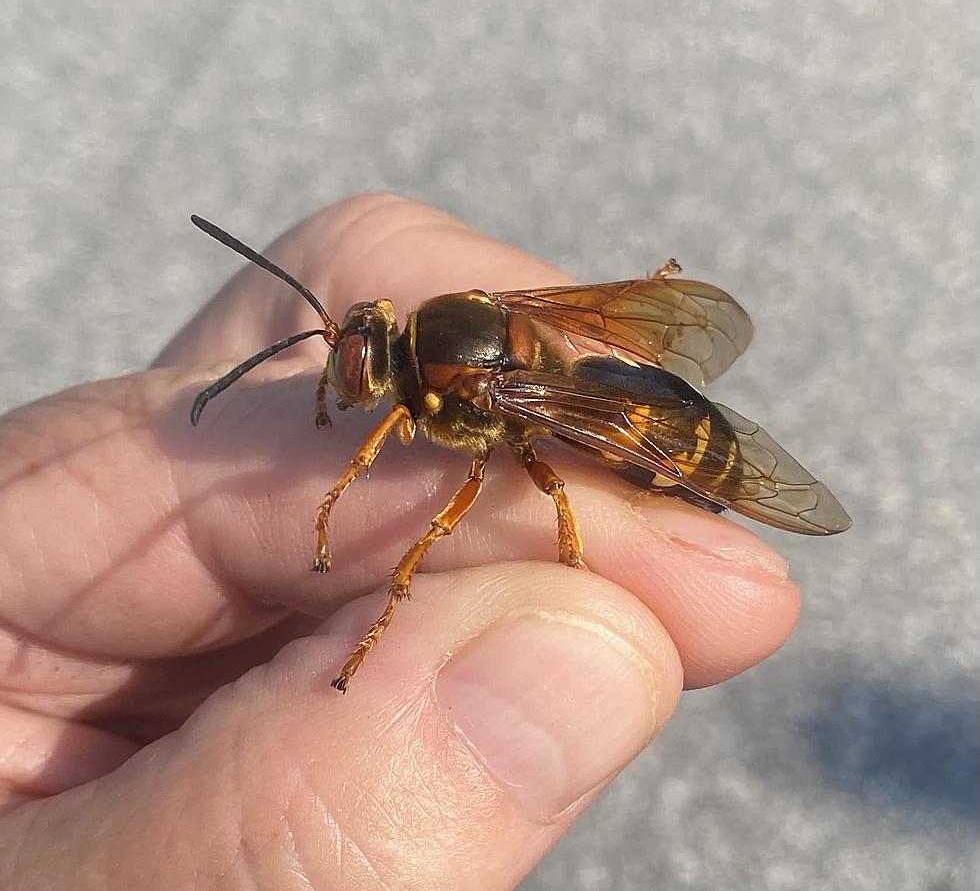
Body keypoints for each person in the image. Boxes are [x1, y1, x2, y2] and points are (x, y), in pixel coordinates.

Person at [0, 195, 800, 889]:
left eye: (350, 356)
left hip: (649, 428)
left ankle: (563, 564)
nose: (348, 364)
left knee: (518, 493)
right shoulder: (454, 325)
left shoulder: (453, 389)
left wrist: (340, 491)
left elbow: (402, 426)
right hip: (602, 377)